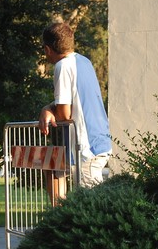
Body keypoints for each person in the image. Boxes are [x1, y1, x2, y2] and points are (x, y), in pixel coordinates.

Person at [38, 22, 111, 202]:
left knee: (90, 208)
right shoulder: (84, 62)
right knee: (56, 173)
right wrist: (49, 108)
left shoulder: (62, 66)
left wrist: (48, 109)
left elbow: (64, 114)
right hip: (98, 141)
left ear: (47, 49)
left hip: (86, 148)